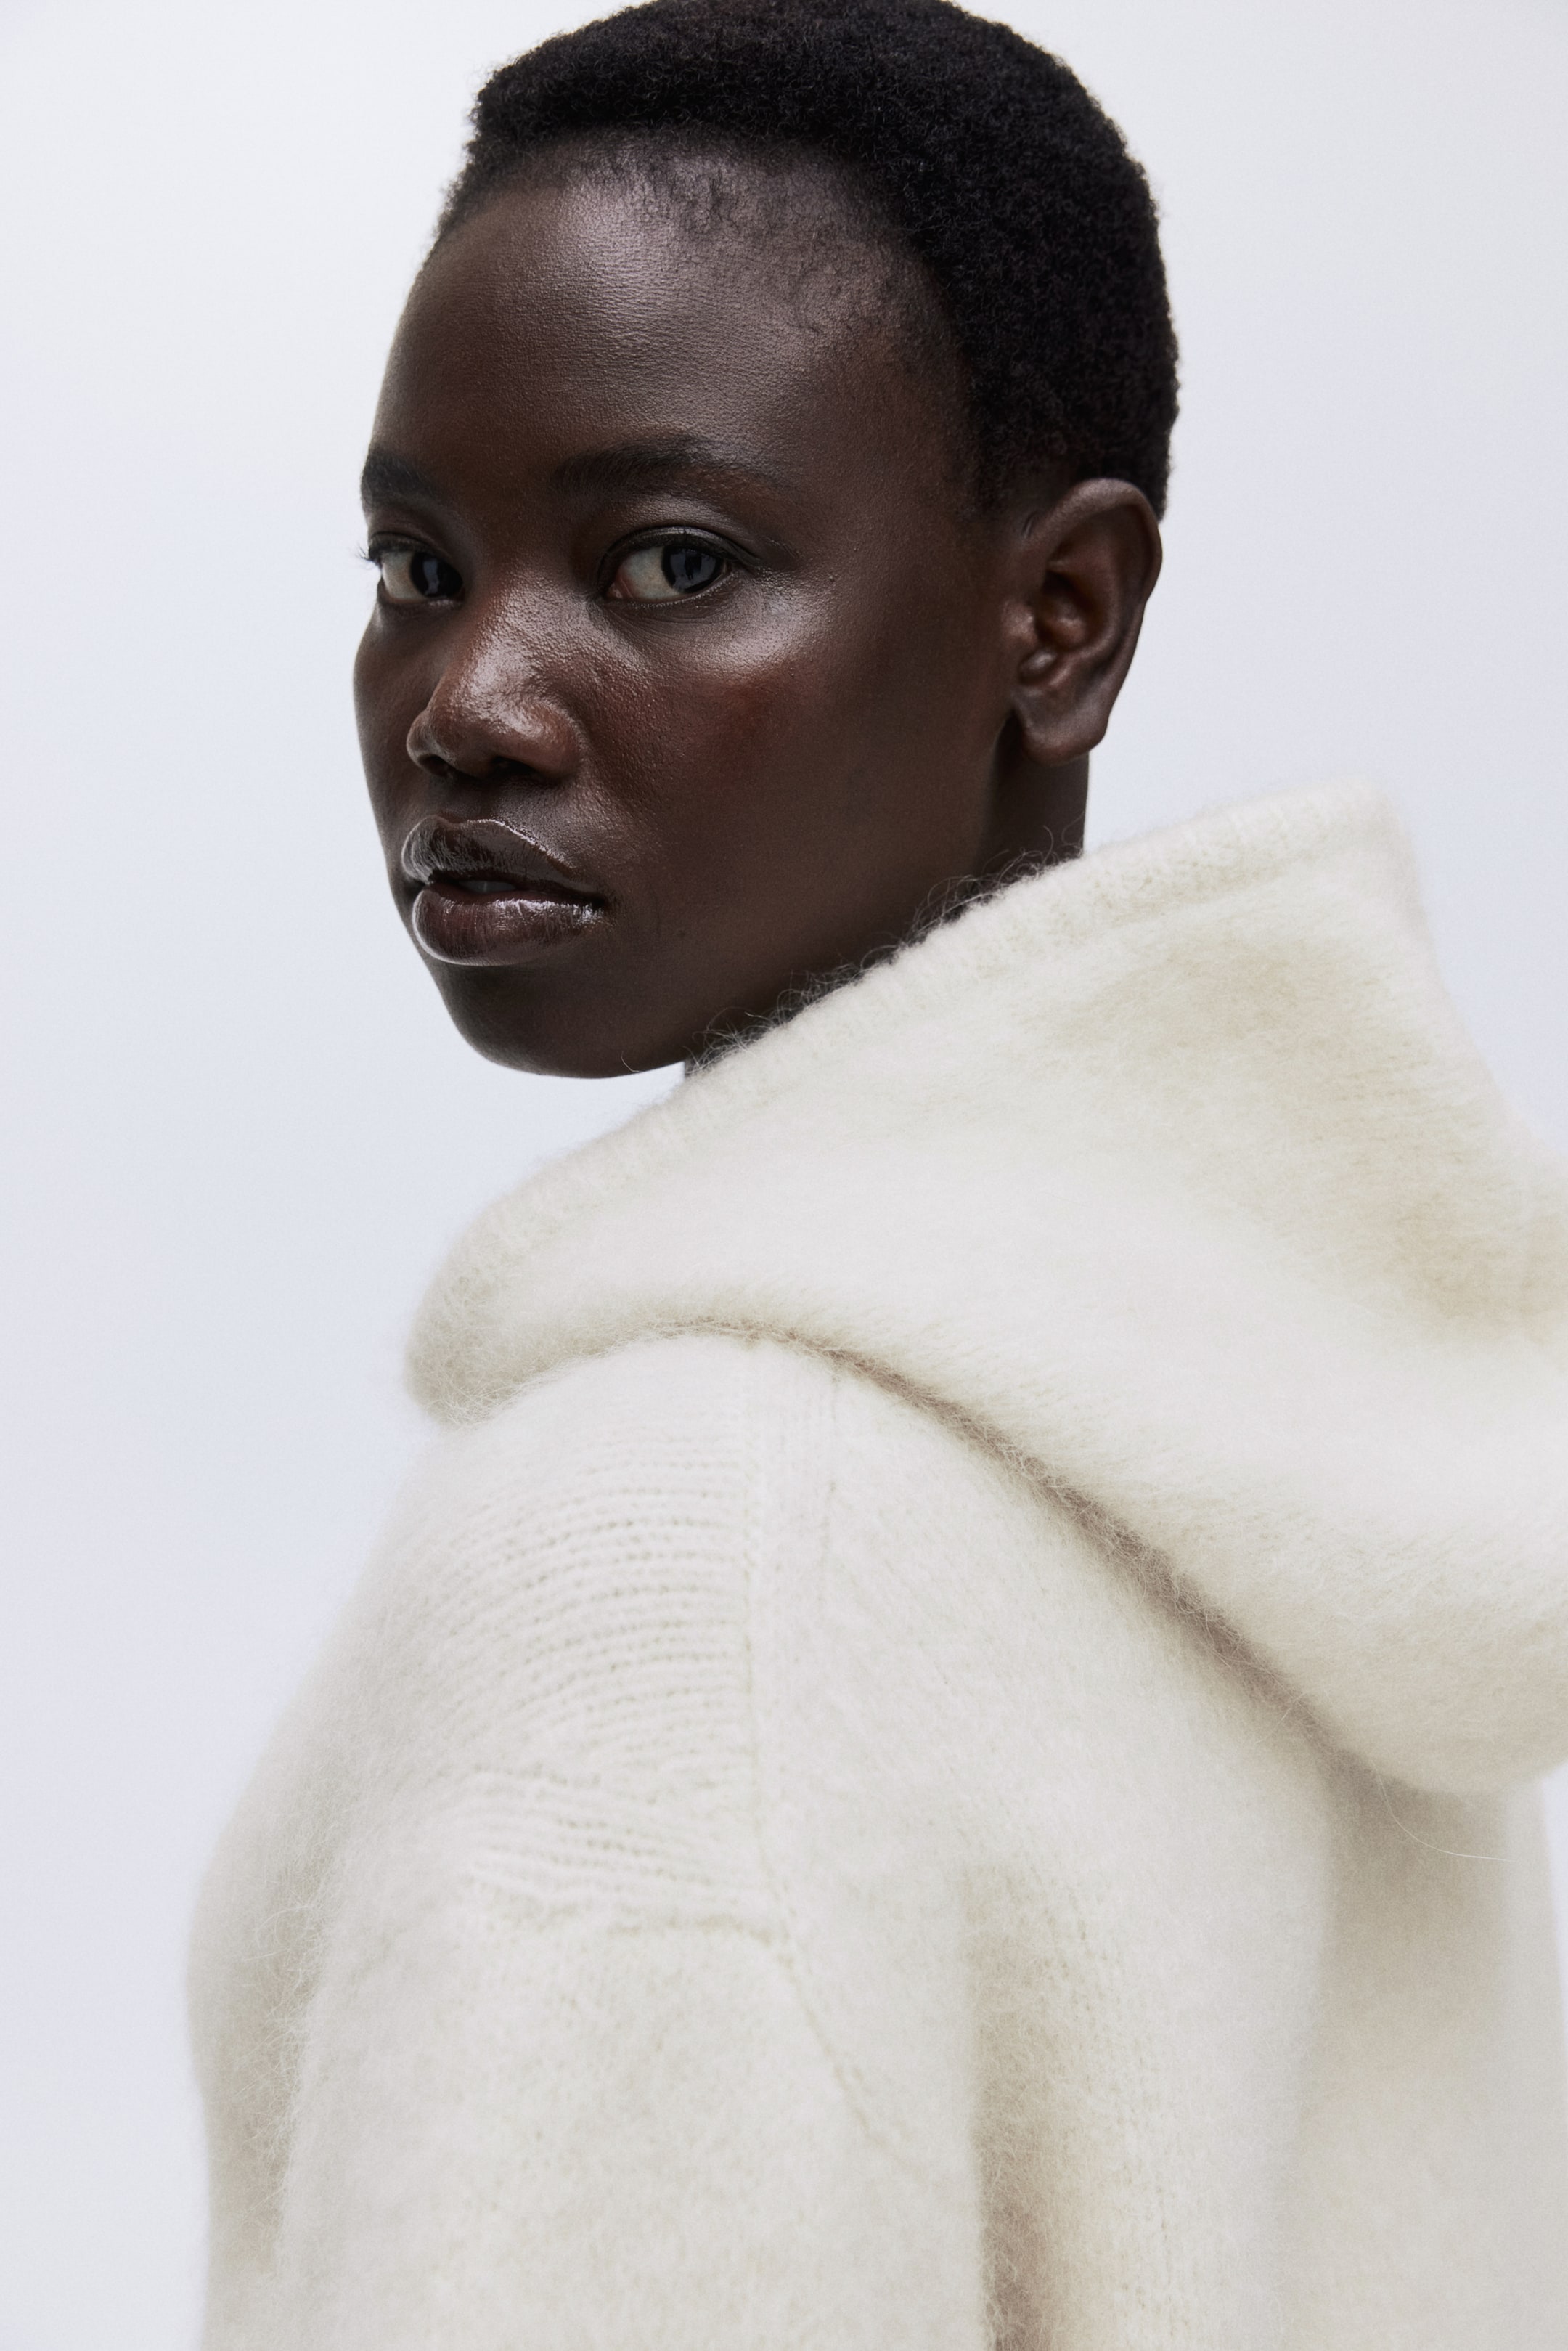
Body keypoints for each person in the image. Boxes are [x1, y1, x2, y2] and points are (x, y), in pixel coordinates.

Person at [189, 0, 1568, 2342]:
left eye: (668, 560)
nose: (467, 702)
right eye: (415, 564)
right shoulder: (1302, 1457)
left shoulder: (671, 1562)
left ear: (1062, 620)